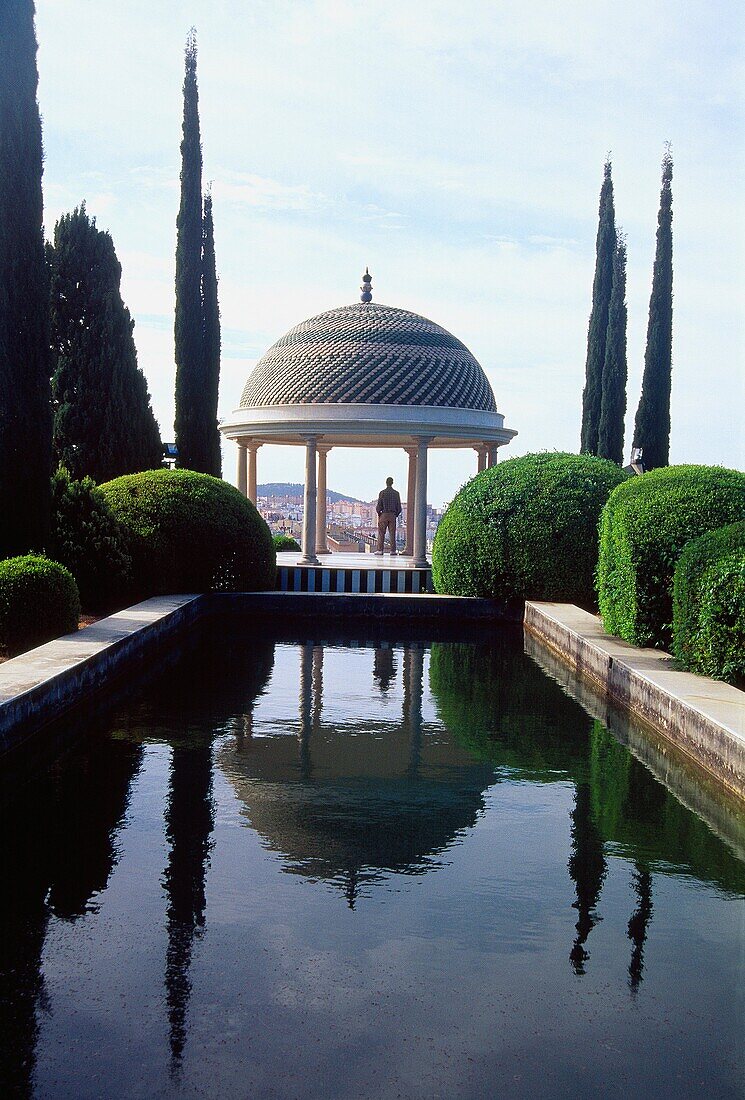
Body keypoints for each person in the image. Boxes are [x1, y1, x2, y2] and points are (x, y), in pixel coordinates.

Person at [375, 476, 402, 554]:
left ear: (386, 483)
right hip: (392, 515)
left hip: (384, 514)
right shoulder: (396, 493)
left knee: (381, 533)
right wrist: (395, 514)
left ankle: (380, 550)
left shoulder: (382, 493)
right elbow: (399, 507)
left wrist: (380, 514)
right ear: (392, 483)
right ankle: (392, 550)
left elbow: (379, 505)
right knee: (392, 533)